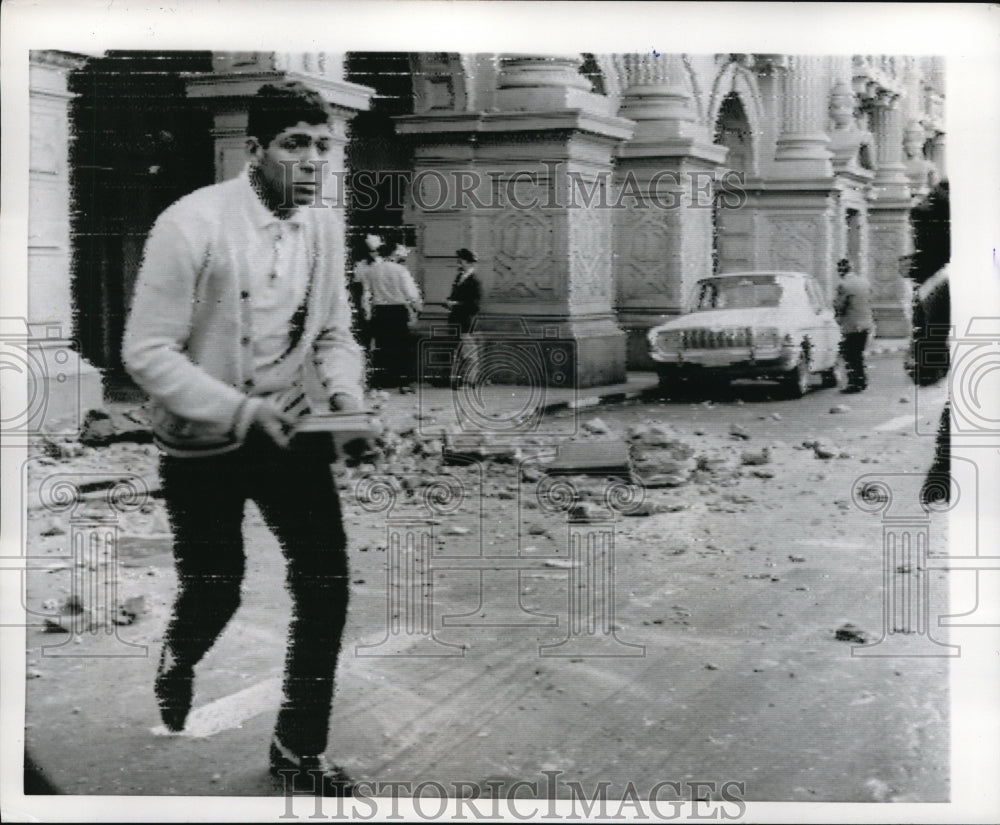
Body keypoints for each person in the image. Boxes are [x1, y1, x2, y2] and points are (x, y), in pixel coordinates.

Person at [122, 81, 364, 796]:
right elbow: (147, 350)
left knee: (325, 585)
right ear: (254, 150)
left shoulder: (323, 225)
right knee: (215, 588)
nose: (314, 160)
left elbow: (332, 333)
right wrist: (235, 409)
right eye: (296, 144)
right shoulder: (189, 223)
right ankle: (178, 656)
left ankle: (298, 747)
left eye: (324, 145)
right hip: (200, 437)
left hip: (288, 428)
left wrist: (347, 398)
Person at [357, 239, 423, 393]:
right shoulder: (400, 270)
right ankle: (403, 383)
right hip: (398, 311)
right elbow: (411, 293)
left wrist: (367, 313)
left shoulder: (371, 271)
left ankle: (379, 382)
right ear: (394, 253)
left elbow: (366, 295)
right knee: (402, 347)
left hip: (379, 311)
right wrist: (417, 308)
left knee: (381, 347)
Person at [833, 258, 874, 393]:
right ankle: (861, 381)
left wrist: (837, 315)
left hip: (852, 325)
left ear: (840, 270)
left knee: (850, 355)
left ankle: (854, 383)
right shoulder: (864, 282)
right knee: (858, 355)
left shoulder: (843, 285)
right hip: (866, 323)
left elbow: (840, 305)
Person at [445, 248, 482, 389]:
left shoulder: (474, 282)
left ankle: (470, 381)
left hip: (465, 322)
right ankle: (459, 381)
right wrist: (450, 302)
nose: (458, 263)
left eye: (460, 261)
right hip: (456, 321)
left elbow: (474, 306)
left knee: (469, 353)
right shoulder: (459, 278)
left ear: (467, 262)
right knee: (459, 353)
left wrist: (455, 304)